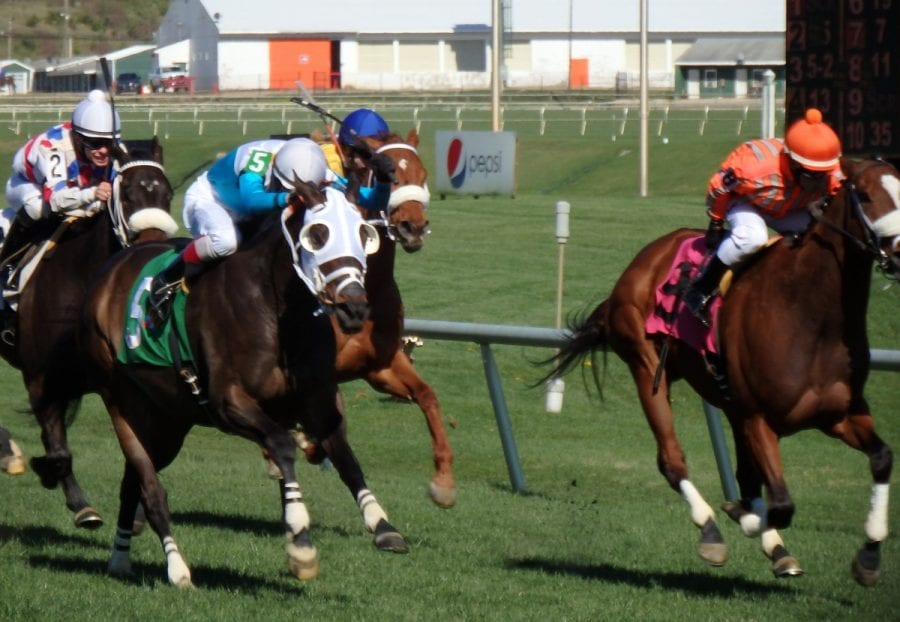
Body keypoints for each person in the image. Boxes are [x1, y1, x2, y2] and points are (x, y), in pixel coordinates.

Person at [682, 108, 843, 326]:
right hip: (747, 203)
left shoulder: (830, 171)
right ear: (793, 162)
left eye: (821, 173)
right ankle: (700, 289)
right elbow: (719, 188)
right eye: (810, 173)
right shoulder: (753, 167)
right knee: (752, 237)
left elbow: (836, 193)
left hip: (788, 208)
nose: (818, 180)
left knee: (822, 233)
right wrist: (716, 221)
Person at [2, 89, 118, 270]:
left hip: (74, 184)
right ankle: (8, 259)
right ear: (78, 138)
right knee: (38, 207)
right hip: (28, 184)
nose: (104, 151)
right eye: (95, 143)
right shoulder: (52, 147)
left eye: (109, 143)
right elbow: (56, 200)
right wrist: (93, 193)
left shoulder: (105, 148)